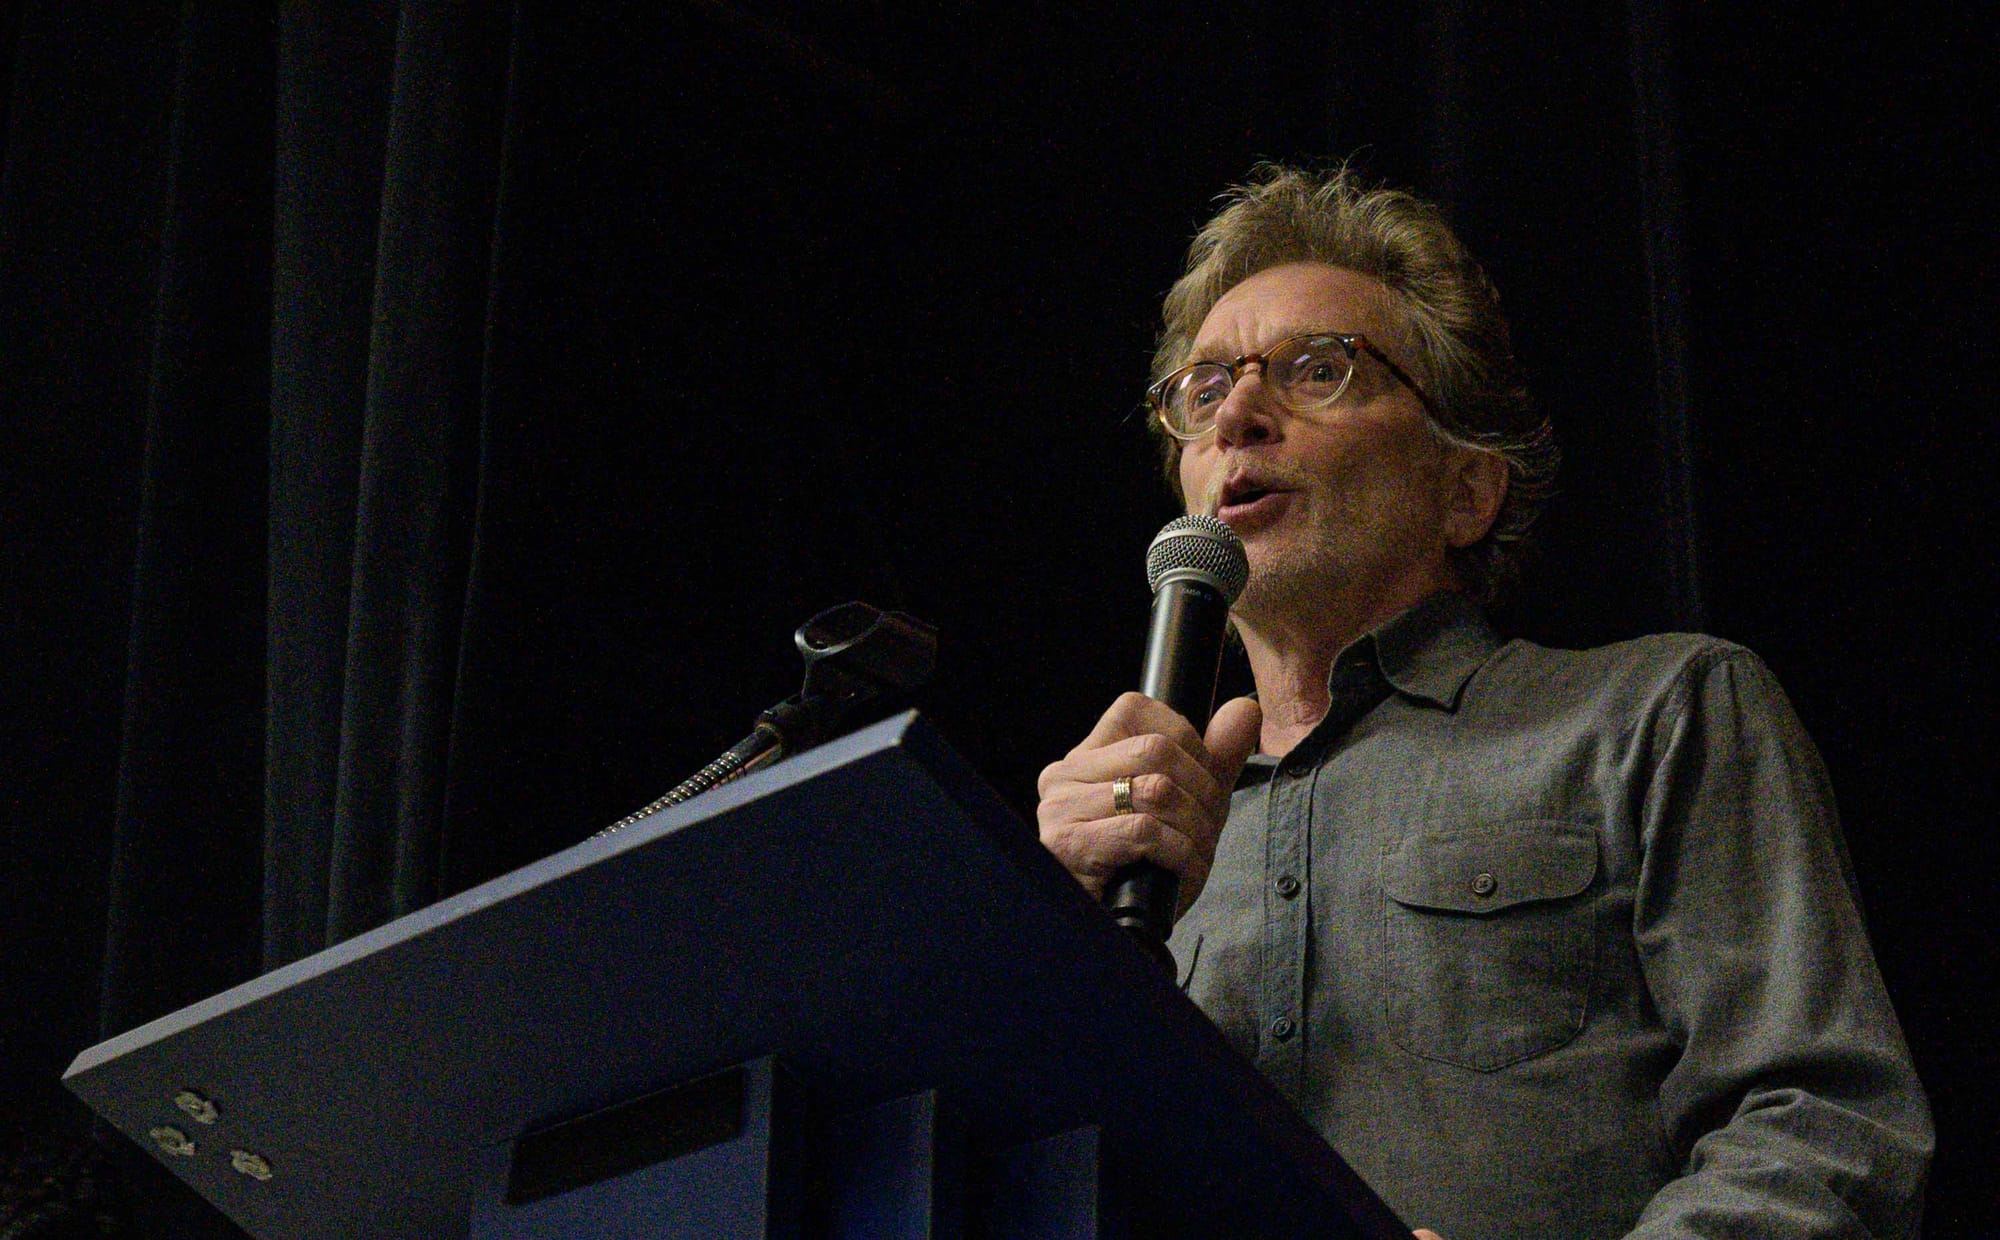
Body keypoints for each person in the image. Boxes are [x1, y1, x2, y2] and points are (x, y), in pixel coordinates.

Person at [1036, 164, 1932, 1239]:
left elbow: (1825, 1130)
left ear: (1466, 489)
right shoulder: (1141, 839)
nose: (1236, 414)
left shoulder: (1655, 714)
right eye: (1203, 388)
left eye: (1320, 370)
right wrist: (1047, 937)